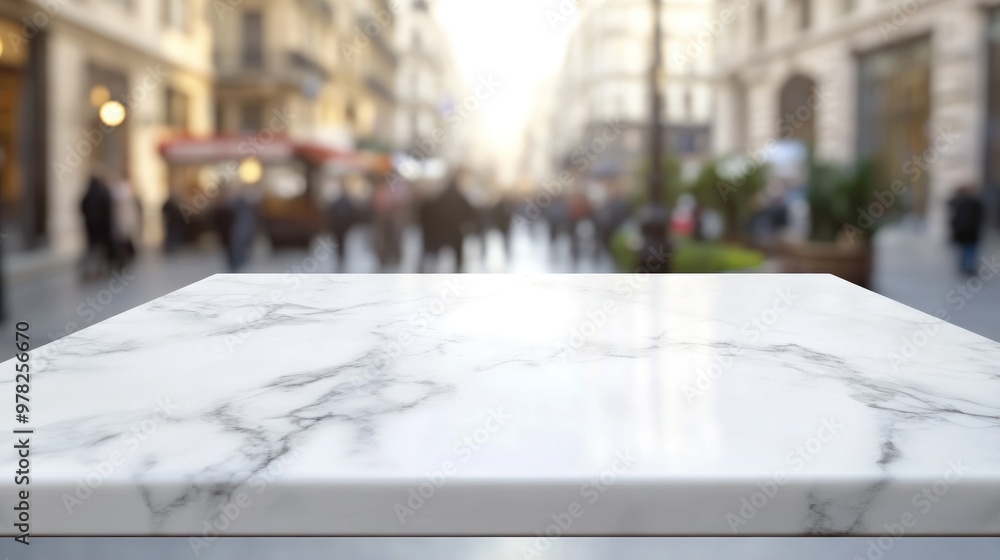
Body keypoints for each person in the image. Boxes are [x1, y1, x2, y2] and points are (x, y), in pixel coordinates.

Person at [420, 175, 475, 272]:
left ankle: (432, 271)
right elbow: (469, 212)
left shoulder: (442, 196)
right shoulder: (460, 196)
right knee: (457, 254)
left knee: (438, 252)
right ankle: (458, 270)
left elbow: (434, 210)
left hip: (443, 230)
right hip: (456, 230)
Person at [79, 166, 114, 278]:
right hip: (101, 226)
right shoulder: (103, 191)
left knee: (92, 247)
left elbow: (82, 206)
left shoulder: (89, 192)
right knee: (100, 248)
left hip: (91, 225)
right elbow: (108, 209)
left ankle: (91, 269)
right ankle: (97, 269)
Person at [949, 184, 985, 275]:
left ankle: (965, 266)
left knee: (966, 249)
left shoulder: (959, 202)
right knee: (969, 249)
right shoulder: (974, 202)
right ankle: (968, 266)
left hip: (966, 230)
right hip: (970, 230)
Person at [109, 174, 141, 270]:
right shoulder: (126, 193)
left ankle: (122, 260)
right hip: (123, 224)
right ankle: (123, 260)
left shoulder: (118, 193)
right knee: (123, 243)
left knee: (122, 243)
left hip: (121, 224)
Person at [324, 180, 358, 270]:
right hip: (341, 228)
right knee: (341, 244)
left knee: (339, 244)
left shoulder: (339, 201)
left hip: (340, 228)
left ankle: (340, 258)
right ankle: (341, 258)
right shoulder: (343, 201)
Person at [161, 188, 186, 254]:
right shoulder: (169, 204)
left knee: (174, 235)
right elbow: (164, 213)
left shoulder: (176, 203)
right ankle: (170, 247)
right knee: (171, 235)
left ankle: (174, 246)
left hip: (175, 223)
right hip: (171, 223)